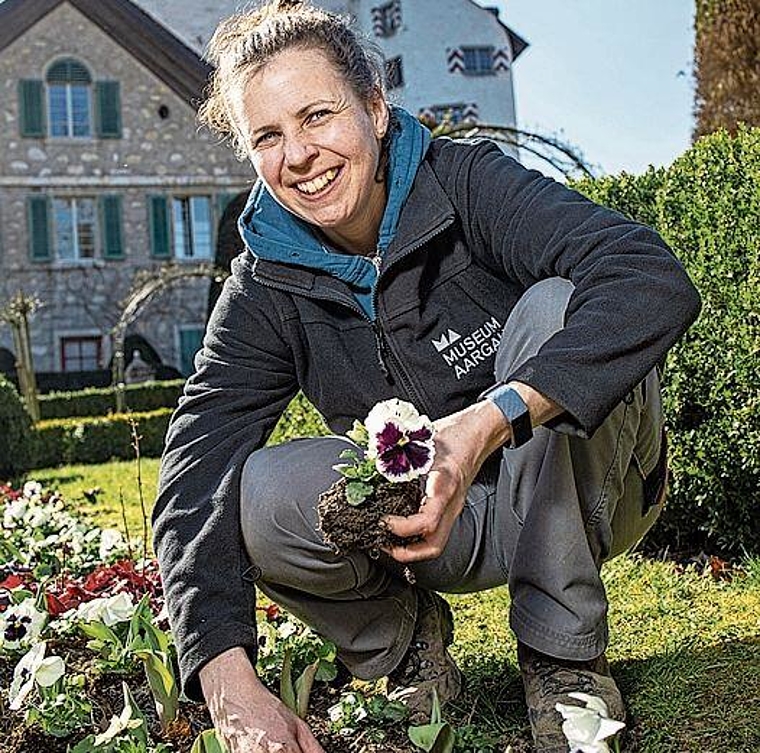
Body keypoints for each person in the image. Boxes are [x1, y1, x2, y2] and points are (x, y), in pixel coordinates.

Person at [152, 2, 701, 751]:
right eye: (269, 137)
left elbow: (648, 277)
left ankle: (563, 658)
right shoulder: (265, 283)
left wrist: (487, 421)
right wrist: (224, 676)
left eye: (318, 115)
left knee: (554, 308)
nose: (300, 155)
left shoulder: (466, 181)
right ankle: (406, 648)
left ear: (375, 109)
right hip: (433, 529)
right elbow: (195, 464)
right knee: (255, 489)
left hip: (578, 487)